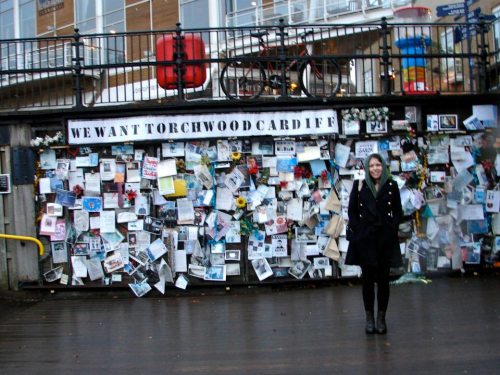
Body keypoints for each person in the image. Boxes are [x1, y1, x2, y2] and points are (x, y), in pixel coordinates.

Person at [345, 153, 403, 335]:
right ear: (367, 169)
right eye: (372, 166)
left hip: (385, 239)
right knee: (368, 281)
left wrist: (392, 229)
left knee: (384, 280)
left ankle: (381, 318)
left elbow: (398, 210)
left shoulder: (392, 185)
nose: (375, 168)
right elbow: (352, 210)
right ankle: (369, 318)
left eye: (378, 165)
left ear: (383, 167)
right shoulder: (360, 185)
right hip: (366, 239)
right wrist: (359, 229)